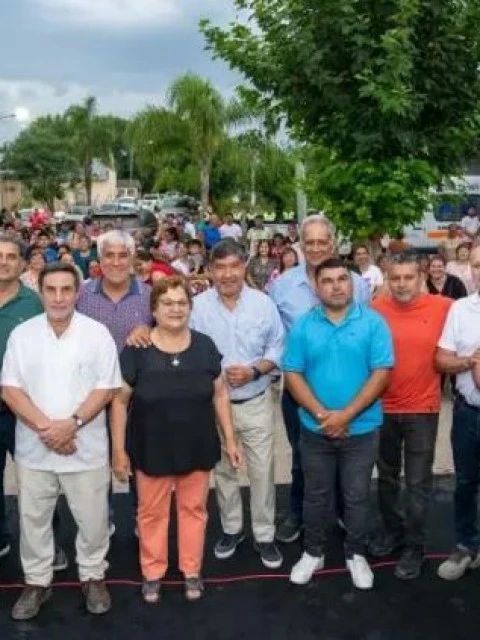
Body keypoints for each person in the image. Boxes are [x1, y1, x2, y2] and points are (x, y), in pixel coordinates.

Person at [126, 240, 285, 568]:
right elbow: (171, 333)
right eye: (220, 267)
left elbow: (277, 346)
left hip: (255, 400)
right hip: (210, 405)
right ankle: (231, 529)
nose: (227, 274)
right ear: (210, 270)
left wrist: (255, 370)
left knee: (262, 471)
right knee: (223, 471)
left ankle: (264, 534)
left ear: (244, 266)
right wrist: (143, 328)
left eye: (234, 266)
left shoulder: (263, 304)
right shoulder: (196, 306)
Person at [2, 263, 122, 620]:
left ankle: (93, 575)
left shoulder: (97, 334)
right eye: (51, 290)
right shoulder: (22, 335)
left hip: (85, 448)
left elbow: (106, 388)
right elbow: (10, 389)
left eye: (66, 289)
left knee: (93, 520)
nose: (58, 297)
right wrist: (50, 431)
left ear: (77, 292)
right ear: (40, 293)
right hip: (35, 448)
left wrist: (72, 425)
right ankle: (37, 581)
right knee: (33, 519)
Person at [111, 277, 242, 603]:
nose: (175, 309)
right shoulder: (137, 349)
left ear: (190, 307)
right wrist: (118, 450)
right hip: (150, 446)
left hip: (197, 444)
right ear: (154, 309)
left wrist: (230, 439)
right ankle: (152, 572)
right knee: (150, 513)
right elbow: (119, 402)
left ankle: (191, 570)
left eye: (182, 302)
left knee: (194, 509)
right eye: (167, 303)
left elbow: (220, 393)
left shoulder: (205, 346)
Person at [283, 258, 393, 589]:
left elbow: (382, 373)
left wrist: (345, 416)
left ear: (352, 283)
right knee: (315, 495)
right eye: (327, 280)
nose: (336, 286)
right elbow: (293, 374)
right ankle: (313, 552)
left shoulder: (373, 323)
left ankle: (355, 553)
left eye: (342, 279)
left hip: (362, 429)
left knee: (357, 495)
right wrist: (322, 415)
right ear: (317, 288)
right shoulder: (304, 326)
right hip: (315, 429)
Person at [268, 215, 371, 543]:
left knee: (347, 455)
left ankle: (343, 511)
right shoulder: (281, 286)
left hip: (348, 390)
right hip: (299, 391)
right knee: (302, 457)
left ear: (333, 243)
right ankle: (298, 513)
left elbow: (367, 330)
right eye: (309, 242)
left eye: (322, 242)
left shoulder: (359, 285)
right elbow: (274, 337)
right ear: (300, 244)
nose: (315, 248)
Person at [370, 253, 452, 579]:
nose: (402, 284)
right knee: (386, 478)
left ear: (421, 277)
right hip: (382, 409)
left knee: (418, 483)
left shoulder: (444, 307)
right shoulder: (374, 310)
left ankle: (415, 546)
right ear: (387, 279)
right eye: (396, 278)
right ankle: (393, 532)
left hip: (423, 410)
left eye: (408, 277)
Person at [76, 230, 153, 534]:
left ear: (133, 258)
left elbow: (170, 333)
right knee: (96, 465)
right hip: (91, 395)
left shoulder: (150, 295)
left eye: (123, 255)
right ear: (99, 259)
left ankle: (141, 519)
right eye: (110, 255)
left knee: (139, 461)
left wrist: (150, 332)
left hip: (138, 396)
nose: (117, 262)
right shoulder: (82, 295)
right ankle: (101, 520)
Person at [435, 244, 480, 580]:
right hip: (469, 414)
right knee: (465, 483)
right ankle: (467, 546)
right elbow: (441, 359)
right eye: (477, 265)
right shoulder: (461, 309)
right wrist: (470, 361)